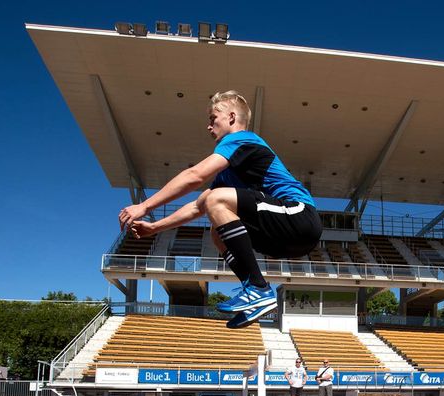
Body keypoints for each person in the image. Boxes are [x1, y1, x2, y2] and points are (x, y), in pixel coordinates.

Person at [119, 90, 322, 329]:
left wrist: (144, 206)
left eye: (213, 118)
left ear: (232, 118)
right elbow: (197, 206)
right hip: (285, 238)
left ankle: (258, 288)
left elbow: (195, 176)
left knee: (216, 200)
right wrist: (155, 228)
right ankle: (255, 291)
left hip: (299, 217)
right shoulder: (228, 174)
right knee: (216, 229)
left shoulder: (243, 139)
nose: (209, 126)